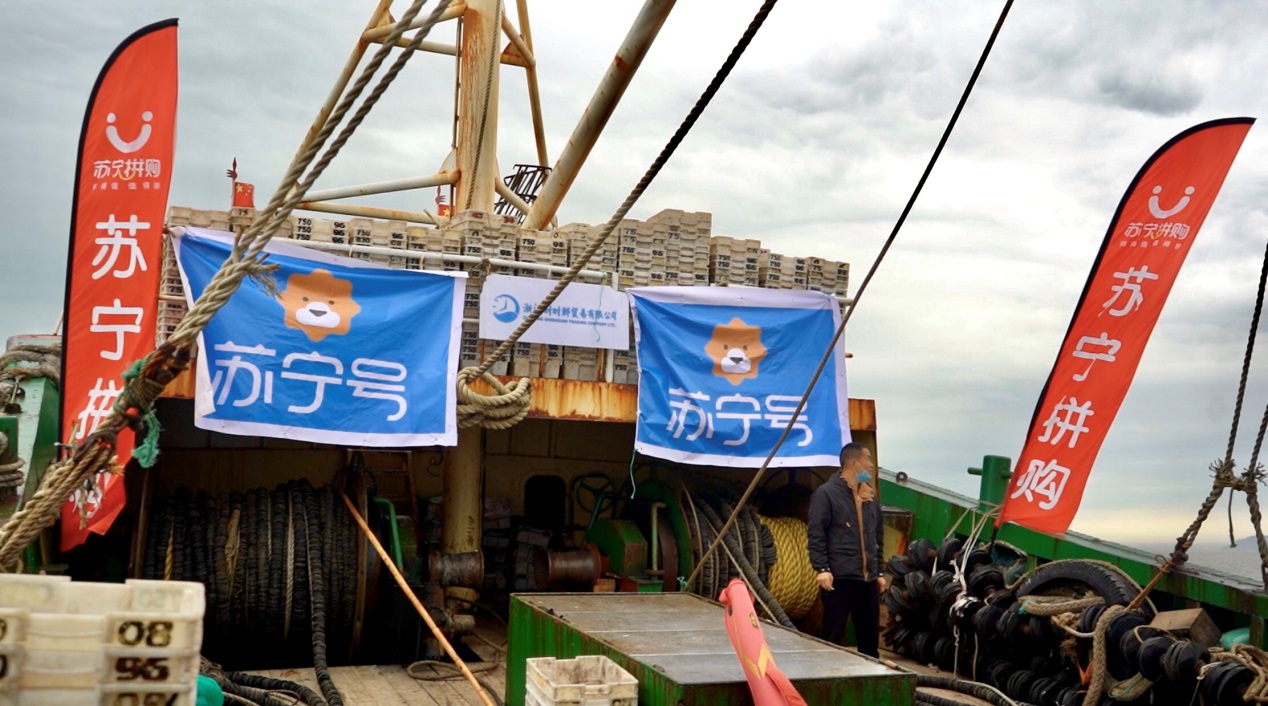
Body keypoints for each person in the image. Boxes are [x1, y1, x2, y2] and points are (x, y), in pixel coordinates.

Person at [807, 441, 887, 657]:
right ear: (854, 463)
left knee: (869, 642)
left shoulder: (870, 496)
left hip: (867, 581)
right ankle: (829, 674)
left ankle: (868, 675)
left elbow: (877, 536)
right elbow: (816, 533)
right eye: (867, 459)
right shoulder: (826, 494)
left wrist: (879, 572)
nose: (871, 465)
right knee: (833, 637)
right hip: (839, 579)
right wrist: (822, 569)